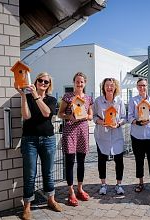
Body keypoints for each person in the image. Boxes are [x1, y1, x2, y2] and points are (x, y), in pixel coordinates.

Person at [16, 72, 62, 220]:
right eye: (40, 80)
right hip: (29, 140)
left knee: (48, 172)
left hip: (48, 139)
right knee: (30, 175)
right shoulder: (28, 97)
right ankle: (27, 206)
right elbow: (26, 116)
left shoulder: (52, 99)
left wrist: (36, 95)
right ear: (35, 82)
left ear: (49, 85)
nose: (43, 83)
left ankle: (51, 200)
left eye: (46, 82)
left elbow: (47, 113)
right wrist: (23, 95)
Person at [58, 72, 93, 206]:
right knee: (70, 161)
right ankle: (71, 191)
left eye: (82, 82)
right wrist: (69, 117)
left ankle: (80, 188)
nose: (79, 84)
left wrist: (85, 116)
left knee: (81, 162)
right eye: (77, 82)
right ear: (74, 83)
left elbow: (91, 115)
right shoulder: (67, 97)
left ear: (85, 83)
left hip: (83, 131)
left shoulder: (88, 98)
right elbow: (60, 114)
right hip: (70, 131)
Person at [93, 78, 126, 195]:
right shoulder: (98, 101)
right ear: (103, 87)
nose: (109, 88)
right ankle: (103, 184)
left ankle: (119, 184)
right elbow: (94, 117)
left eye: (111, 85)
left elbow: (124, 117)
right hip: (102, 136)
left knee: (119, 160)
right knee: (101, 160)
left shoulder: (120, 101)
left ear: (115, 87)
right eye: (107, 85)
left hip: (116, 135)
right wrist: (102, 123)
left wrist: (118, 124)